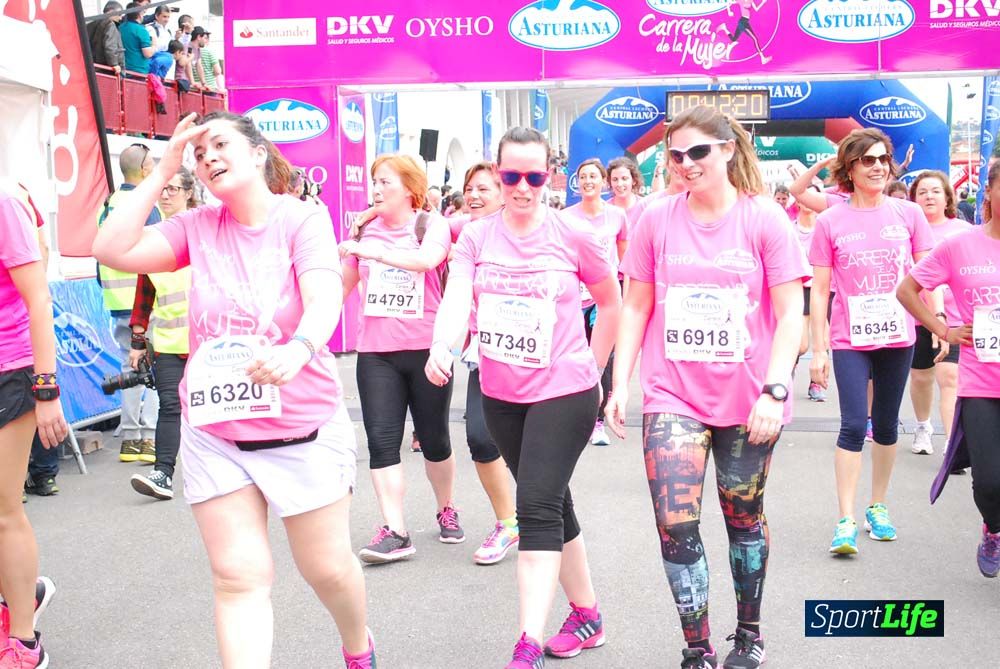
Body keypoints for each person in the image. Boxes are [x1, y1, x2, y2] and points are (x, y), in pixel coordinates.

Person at [91, 112, 374, 668]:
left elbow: (324, 296)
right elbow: (111, 247)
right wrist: (163, 168)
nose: (208, 158)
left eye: (220, 145)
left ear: (258, 153)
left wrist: (298, 349)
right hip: (215, 431)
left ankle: (358, 648)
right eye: (200, 155)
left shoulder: (301, 219)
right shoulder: (195, 226)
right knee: (237, 577)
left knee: (327, 570)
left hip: (300, 427)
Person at [607, 105, 806, 669]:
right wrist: (619, 385)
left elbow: (790, 313)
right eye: (675, 154)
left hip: (749, 398)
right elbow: (635, 305)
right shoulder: (655, 218)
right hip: (673, 393)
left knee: (743, 519)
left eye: (698, 151)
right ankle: (697, 647)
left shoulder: (764, 218)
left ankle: (749, 634)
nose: (685, 163)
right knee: (674, 523)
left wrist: (775, 389)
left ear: (727, 150)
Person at [425, 126, 621, 668]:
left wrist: (595, 369)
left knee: (533, 506)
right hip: (502, 393)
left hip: (565, 390)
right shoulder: (476, 237)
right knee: (553, 501)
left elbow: (610, 302)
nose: (522, 187)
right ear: (497, 172)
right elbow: (457, 296)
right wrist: (443, 344)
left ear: (549, 177)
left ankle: (527, 644)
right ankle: (587, 615)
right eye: (511, 175)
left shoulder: (573, 234)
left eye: (534, 177)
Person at [808, 128, 934, 556]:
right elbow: (819, 291)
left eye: (883, 159)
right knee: (852, 424)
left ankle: (877, 506)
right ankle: (845, 518)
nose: (878, 166)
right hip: (850, 337)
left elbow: (926, 275)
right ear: (849, 168)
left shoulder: (908, 214)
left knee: (885, 424)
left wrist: (937, 323)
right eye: (868, 160)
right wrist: (819, 351)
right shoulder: (830, 221)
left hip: (899, 335)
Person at [339, 154, 463, 563]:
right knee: (381, 441)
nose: (376, 189)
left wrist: (373, 252)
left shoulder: (430, 224)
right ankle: (395, 530)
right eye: (374, 181)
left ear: (410, 189)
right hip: (376, 352)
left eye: (385, 182)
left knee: (434, 439)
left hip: (426, 349)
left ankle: (446, 507)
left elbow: (426, 261)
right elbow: (341, 286)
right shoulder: (363, 230)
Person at [899, 160, 1000, 578]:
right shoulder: (960, 245)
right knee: (989, 482)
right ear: (989, 191)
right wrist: (943, 329)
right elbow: (907, 290)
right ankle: (993, 528)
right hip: (982, 381)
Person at [0, 185, 70, 668]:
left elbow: (38, 299)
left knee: (4, 508)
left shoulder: (4, 202)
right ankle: (20, 594)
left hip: (10, 371)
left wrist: (47, 390)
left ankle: (24, 641)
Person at [453, 162, 520, 565]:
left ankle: (545, 517)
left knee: (531, 448)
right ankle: (508, 522)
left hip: (533, 360)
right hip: (487, 355)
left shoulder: (528, 230)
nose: (474, 196)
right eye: (469, 188)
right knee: (480, 438)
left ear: (503, 192)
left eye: (483, 189)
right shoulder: (464, 232)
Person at [126, 167, 198, 501]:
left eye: (174, 189)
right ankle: (163, 474)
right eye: (162, 189)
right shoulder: (151, 239)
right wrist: (138, 342)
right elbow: (145, 295)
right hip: (169, 344)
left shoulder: (202, 232)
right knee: (170, 406)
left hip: (209, 342)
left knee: (216, 409)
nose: (166, 195)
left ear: (189, 193)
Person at [97, 144, 161, 464]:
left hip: (117, 301)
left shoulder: (109, 204)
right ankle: (149, 438)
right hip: (143, 303)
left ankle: (131, 440)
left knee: (130, 368)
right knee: (152, 369)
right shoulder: (145, 204)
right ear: (146, 169)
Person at [906, 171, 971, 455]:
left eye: (935, 191)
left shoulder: (964, 231)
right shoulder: (906, 231)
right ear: (913, 200)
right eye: (922, 192)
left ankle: (951, 443)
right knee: (921, 377)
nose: (929, 197)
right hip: (916, 316)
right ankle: (923, 426)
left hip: (955, 317)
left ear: (947, 198)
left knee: (950, 377)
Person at [563, 159, 628, 446]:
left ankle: (597, 421)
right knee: (572, 356)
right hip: (574, 298)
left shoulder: (617, 216)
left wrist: (624, 296)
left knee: (604, 360)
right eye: (583, 177)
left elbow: (625, 259)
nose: (588, 181)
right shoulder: (565, 217)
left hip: (605, 300)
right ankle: (571, 415)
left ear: (603, 181)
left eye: (593, 176)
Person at [794, 185, 828, 403]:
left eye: (813, 195)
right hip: (799, 289)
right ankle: (787, 372)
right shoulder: (789, 228)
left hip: (825, 289)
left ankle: (816, 383)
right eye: (805, 195)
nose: (808, 200)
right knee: (801, 344)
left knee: (823, 340)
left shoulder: (826, 227)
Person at [87, 1, 125, 75]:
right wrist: (114, 64)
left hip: (93, 67)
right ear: (111, 12)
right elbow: (110, 46)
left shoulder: (90, 24)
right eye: (119, 14)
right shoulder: (110, 25)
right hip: (106, 69)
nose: (120, 18)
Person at [120, 2, 153, 75]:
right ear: (139, 15)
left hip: (123, 69)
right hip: (138, 70)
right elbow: (148, 54)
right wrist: (154, 45)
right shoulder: (141, 30)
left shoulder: (120, 28)